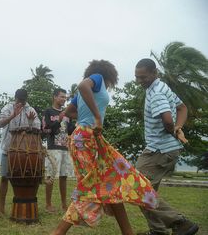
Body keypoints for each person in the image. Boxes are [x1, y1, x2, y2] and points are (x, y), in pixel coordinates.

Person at [52, 60, 158, 235]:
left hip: (88, 137)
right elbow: (82, 85)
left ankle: (128, 232)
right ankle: (58, 232)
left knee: (111, 183)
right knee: (91, 187)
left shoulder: (90, 91)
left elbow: (69, 112)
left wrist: (88, 114)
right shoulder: (97, 78)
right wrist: (96, 117)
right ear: (109, 75)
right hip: (85, 139)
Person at [134, 58, 199, 235]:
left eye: (143, 77)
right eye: (137, 77)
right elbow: (182, 108)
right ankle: (158, 231)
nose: (140, 81)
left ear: (155, 73)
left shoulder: (156, 93)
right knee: (147, 192)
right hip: (167, 149)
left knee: (136, 188)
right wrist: (179, 128)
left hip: (159, 150)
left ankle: (180, 222)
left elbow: (167, 119)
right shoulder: (161, 87)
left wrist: (172, 128)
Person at [0, 88, 41, 216]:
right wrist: (12, 116)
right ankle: (1, 208)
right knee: (4, 177)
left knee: (26, 178)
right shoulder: (7, 107)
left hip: (25, 151)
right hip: (9, 148)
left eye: (23, 100)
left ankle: (25, 205)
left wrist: (31, 122)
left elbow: (37, 128)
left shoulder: (31, 109)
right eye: (19, 100)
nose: (21, 103)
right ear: (15, 97)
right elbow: (0, 124)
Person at [42, 88, 74, 213]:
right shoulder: (48, 111)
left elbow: (70, 130)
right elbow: (46, 129)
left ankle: (64, 204)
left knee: (64, 176)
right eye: (61, 96)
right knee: (50, 176)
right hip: (53, 148)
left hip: (65, 148)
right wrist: (59, 120)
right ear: (54, 97)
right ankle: (48, 204)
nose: (64, 99)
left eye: (65, 97)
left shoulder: (67, 113)